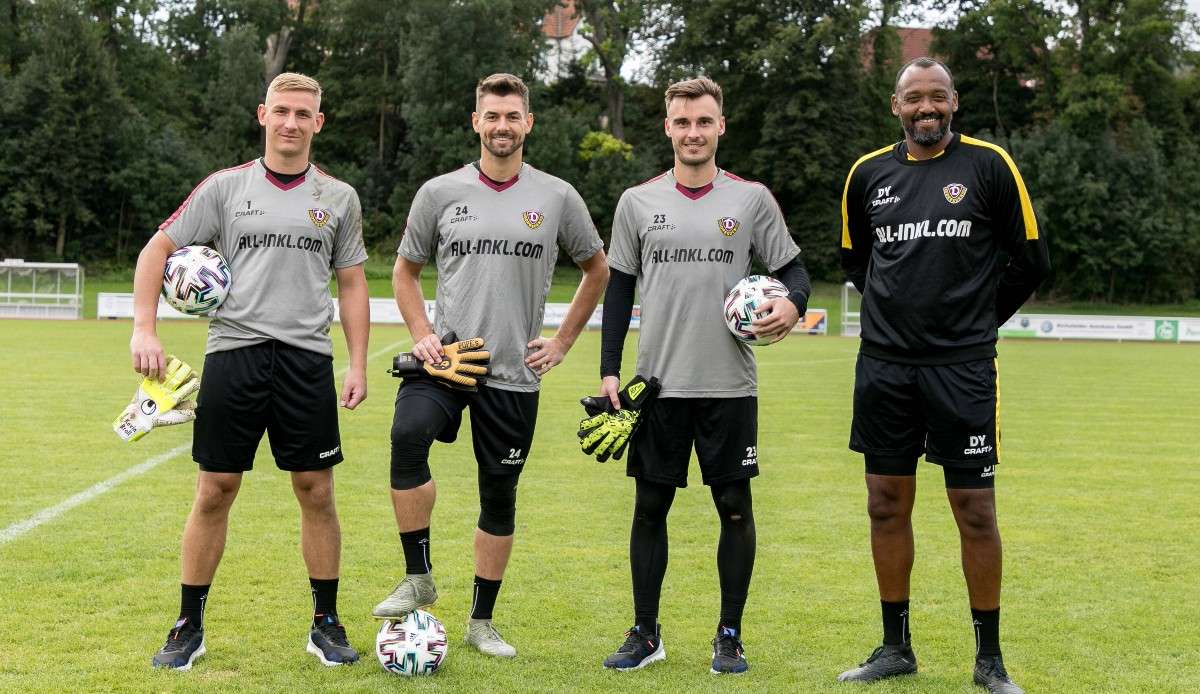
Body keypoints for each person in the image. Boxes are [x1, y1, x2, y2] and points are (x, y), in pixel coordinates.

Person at [130, 72, 370, 670]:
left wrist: (358, 362)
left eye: (303, 113)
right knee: (215, 490)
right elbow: (156, 250)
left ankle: (326, 622)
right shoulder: (224, 188)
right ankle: (188, 624)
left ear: (320, 121)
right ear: (263, 114)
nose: (291, 122)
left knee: (316, 490)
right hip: (233, 356)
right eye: (282, 111)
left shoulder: (338, 197)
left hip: (306, 361)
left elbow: (352, 284)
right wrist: (144, 327)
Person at [373, 73, 608, 658]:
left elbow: (596, 269)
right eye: (492, 116)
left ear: (528, 124)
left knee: (498, 496)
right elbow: (405, 270)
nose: (501, 126)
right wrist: (422, 335)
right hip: (450, 359)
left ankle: (481, 621)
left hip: (514, 373)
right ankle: (418, 575)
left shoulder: (556, 197)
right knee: (407, 436)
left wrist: (562, 342)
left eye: (512, 116)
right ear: (476, 123)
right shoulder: (439, 192)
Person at [836, 57, 1050, 694]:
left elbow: (1032, 259)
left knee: (975, 511)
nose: (926, 109)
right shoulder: (867, 175)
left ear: (954, 102)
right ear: (895, 107)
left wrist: (977, 319)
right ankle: (895, 647)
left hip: (962, 369)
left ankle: (990, 661)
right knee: (884, 505)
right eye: (914, 100)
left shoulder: (989, 165)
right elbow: (856, 264)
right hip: (885, 367)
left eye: (937, 99)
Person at [594, 76, 811, 675]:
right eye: (683, 123)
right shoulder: (637, 202)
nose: (693, 132)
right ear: (668, 128)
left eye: (704, 122)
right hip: (658, 385)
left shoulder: (751, 200)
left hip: (728, 386)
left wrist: (792, 305)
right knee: (649, 509)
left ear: (721, 126)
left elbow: (795, 274)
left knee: (735, 507)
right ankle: (645, 633)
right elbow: (619, 290)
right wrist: (610, 371)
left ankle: (730, 634)